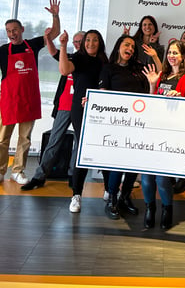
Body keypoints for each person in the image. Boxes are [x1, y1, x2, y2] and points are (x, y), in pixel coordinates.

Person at [0, 0, 60, 185]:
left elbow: (55, 33)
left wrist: (55, 15)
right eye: (9, 31)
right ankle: (1, 171)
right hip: (9, 100)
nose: (12, 34)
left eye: (15, 30)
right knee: (2, 139)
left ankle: (18, 171)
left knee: (24, 138)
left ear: (22, 29)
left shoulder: (32, 45)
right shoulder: (2, 50)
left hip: (28, 98)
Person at [142, 39, 185, 230]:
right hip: (155, 131)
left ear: (183, 57)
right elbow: (152, 104)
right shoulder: (162, 75)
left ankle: (167, 210)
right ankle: (150, 209)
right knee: (146, 177)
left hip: (172, 135)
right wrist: (151, 86)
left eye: (176, 53)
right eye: (170, 53)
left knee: (162, 178)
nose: (172, 56)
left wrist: (180, 98)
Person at [21, 30, 85, 191]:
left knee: (79, 144)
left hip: (81, 108)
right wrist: (49, 38)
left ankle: (73, 175)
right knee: (53, 141)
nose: (77, 44)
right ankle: (39, 176)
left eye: (80, 41)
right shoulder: (70, 57)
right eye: (75, 41)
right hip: (64, 105)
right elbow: (54, 53)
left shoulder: (93, 61)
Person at [98, 35, 149, 219]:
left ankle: (125, 197)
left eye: (133, 47)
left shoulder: (139, 70)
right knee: (117, 163)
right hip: (117, 124)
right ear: (119, 46)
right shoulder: (108, 68)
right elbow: (102, 95)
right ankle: (112, 198)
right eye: (127, 44)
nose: (130, 49)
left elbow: (148, 92)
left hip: (138, 123)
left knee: (133, 163)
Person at [58, 29, 108, 213]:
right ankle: (76, 194)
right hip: (80, 110)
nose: (91, 43)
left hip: (102, 111)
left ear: (100, 43)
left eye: (95, 40)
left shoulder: (105, 62)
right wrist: (63, 45)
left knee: (104, 147)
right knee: (82, 150)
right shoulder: (78, 59)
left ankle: (109, 189)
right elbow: (64, 70)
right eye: (88, 40)